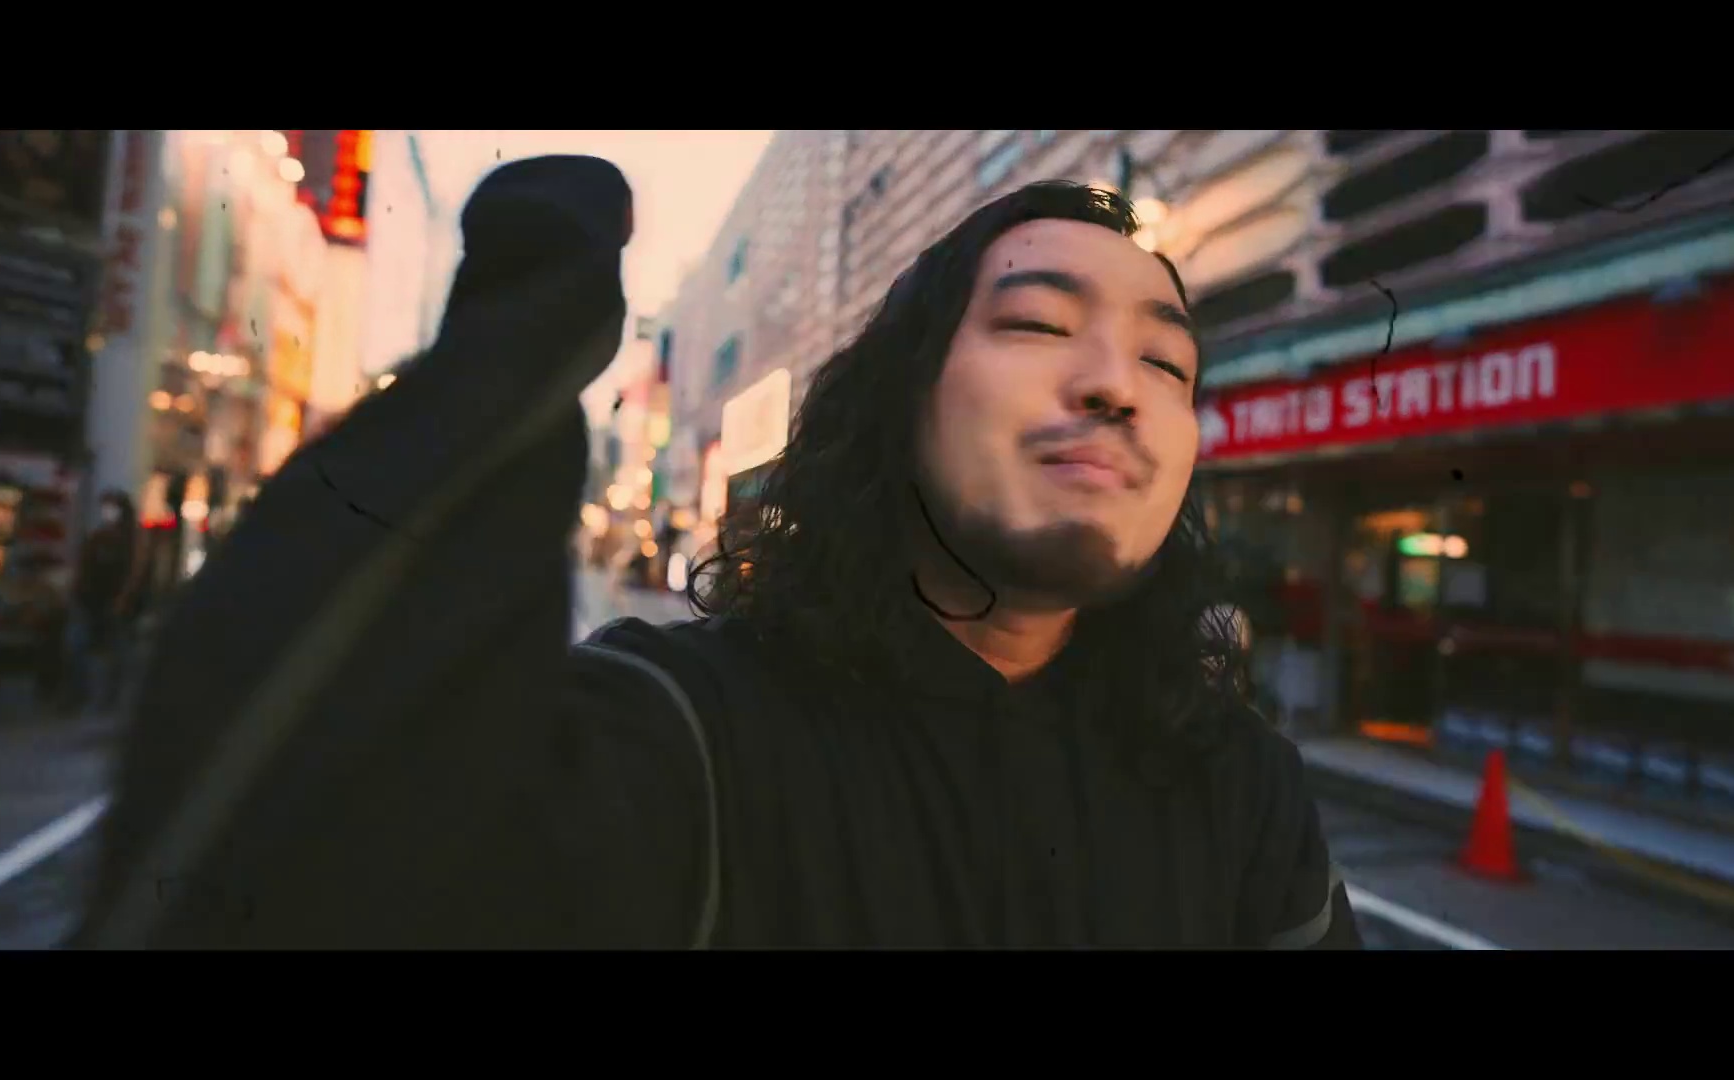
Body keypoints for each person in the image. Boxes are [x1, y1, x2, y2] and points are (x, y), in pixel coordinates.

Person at [76, 155, 1360, 949]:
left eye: (1168, 363)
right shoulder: (680, 736)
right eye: (1037, 323)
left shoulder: (1236, 780)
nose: (1118, 384)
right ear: (899, 403)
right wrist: (422, 512)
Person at [64, 489, 143, 712]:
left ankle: (109, 697)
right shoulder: (98, 536)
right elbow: (84, 565)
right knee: (78, 646)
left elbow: (134, 570)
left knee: (115, 651)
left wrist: (122, 598)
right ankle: (78, 694)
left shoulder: (130, 539)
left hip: (113, 601)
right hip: (88, 599)